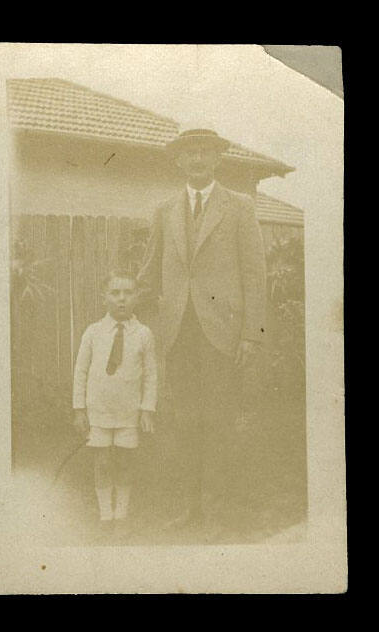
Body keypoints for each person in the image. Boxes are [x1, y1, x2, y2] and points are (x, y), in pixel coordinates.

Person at [137, 129, 267, 542]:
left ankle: (215, 512)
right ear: (178, 161)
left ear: (216, 159)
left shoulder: (240, 208)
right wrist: (119, 306)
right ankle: (187, 509)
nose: (196, 159)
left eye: (204, 152)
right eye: (188, 153)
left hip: (222, 334)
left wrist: (251, 334)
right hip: (177, 332)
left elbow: (255, 274)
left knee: (218, 422)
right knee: (184, 422)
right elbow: (151, 269)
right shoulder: (165, 210)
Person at [73, 270, 157, 541]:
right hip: (98, 411)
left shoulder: (143, 334)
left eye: (128, 293)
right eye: (115, 293)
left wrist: (147, 409)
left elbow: (151, 374)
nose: (122, 299)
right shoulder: (93, 332)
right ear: (104, 297)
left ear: (136, 296)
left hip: (128, 412)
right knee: (102, 461)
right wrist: (79, 408)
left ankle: (121, 515)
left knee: (123, 462)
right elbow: (81, 371)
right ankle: (104, 516)